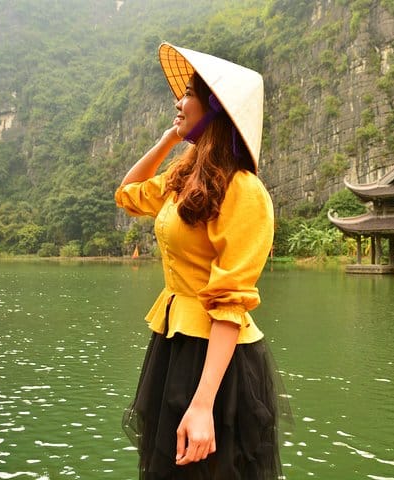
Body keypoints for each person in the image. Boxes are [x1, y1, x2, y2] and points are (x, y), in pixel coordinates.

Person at [116, 42, 285, 480]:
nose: (178, 101)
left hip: (215, 360)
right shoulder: (183, 180)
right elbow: (128, 194)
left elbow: (231, 300)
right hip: (174, 343)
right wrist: (168, 139)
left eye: (188, 94)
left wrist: (204, 403)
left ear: (215, 108)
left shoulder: (244, 191)